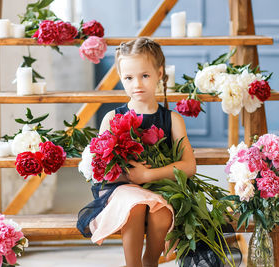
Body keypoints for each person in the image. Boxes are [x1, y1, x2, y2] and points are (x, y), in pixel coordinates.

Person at [78, 37, 196, 267]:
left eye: (145, 75)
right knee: (135, 204)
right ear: (121, 77)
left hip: (159, 186)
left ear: (160, 73)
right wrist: (130, 177)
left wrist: (148, 175)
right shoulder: (112, 118)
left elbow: (189, 165)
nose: (137, 84)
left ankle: (149, 262)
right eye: (129, 78)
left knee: (160, 212)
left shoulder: (171, 120)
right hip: (121, 189)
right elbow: (100, 170)